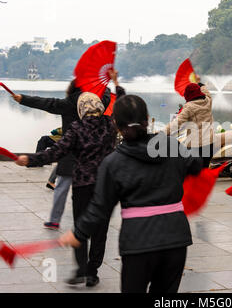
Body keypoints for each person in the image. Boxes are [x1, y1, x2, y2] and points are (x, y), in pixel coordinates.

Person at [58, 94, 203, 293]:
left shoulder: (114, 163)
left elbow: (100, 208)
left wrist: (79, 233)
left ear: (116, 124)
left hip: (138, 242)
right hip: (175, 239)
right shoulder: (172, 146)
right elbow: (195, 165)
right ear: (146, 119)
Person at [15, 92, 117, 287]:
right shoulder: (109, 125)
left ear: (80, 110)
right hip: (105, 187)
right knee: (100, 231)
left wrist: (31, 160)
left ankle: (80, 269)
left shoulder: (76, 129)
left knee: (80, 228)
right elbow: (113, 101)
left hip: (83, 187)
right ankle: (92, 272)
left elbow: (56, 152)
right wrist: (113, 86)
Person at [11, 71, 123, 230]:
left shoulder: (67, 104)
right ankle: (93, 216)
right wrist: (104, 84)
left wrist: (23, 99)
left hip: (69, 150)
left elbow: (45, 103)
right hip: (91, 153)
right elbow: (109, 97)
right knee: (92, 187)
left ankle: (55, 220)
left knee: (62, 186)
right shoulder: (98, 103)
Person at [165, 75, 214, 168]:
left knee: (191, 173)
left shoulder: (189, 107)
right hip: (210, 144)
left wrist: (161, 133)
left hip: (196, 146)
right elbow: (205, 91)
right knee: (203, 172)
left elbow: (176, 124)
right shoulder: (208, 100)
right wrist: (199, 82)